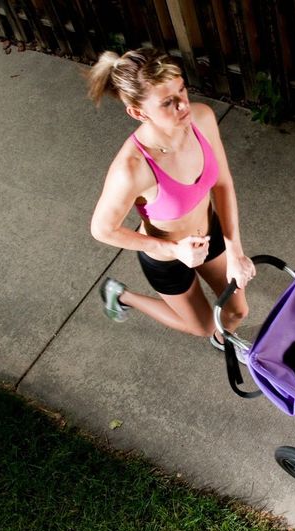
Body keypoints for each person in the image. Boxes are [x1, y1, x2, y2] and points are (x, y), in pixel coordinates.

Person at [85, 49, 255, 358]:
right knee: (203, 326)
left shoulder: (201, 118)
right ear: (138, 112)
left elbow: (223, 184)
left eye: (182, 90)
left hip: (209, 234)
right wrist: (175, 250)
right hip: (167, 258)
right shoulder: (133, 168)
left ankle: (223, 338)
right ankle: (121, 295)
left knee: (237, 312)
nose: (183, 105)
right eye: (167, 102)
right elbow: (102, 229)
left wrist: (236, 253)